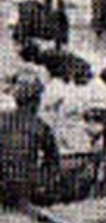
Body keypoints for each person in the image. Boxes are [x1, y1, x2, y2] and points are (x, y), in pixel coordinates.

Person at [12, 0, 91, 84]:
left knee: (82, 67)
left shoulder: (57, 5)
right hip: (35, 53)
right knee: (66, 67)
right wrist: (37, 44)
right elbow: (19, 38)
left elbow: (63, 27)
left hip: (55, 51)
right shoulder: (29, 7)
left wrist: (62, 43)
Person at [0, 69, 61, 207]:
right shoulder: (40, 126)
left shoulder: (2, 118)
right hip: (25, 189)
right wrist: (44, 183)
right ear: (37, 101)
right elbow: (53, 161)